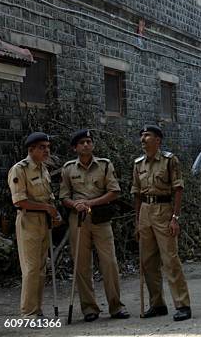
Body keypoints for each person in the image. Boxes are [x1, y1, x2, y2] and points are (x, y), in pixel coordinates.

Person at [60, 129, 129, 322]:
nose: (85, 145)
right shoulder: (68, 169)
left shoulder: (105, 165)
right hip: (78, 219)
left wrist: (91, 203)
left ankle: (116, 306)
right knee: (81, 264)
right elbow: (64, 196)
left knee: (109, 262)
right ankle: (89, 309)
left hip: (100, 217)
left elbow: (114, 191)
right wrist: (75, 204)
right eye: (81, 142)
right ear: (75, 147)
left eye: (89, 141)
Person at [132, 125, 191, 321]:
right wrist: (137, 221)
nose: (143, 139)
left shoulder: (169, 160)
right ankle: (157, 304)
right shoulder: (138, 164)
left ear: (158, 140)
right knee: (148, 262)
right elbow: (137, 194)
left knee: (170, 260)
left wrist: (175, 217)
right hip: (145, 213)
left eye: (147, 135)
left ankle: (182, 304)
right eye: (141, 136)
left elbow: (178, 189)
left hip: (164, 210)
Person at [7, 132, 62, 317]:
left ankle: (37, 310)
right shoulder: (20, 169)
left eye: (47, 147)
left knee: (41, 268)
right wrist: (47, 208)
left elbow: (48, 197)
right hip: (28, 221)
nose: (46, 150)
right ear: (31, 149)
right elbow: (19, 201)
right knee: (30, 269)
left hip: (43, 222)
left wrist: (54, 213)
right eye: (42, 147)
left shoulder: (42, 169)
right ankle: (28, 313)